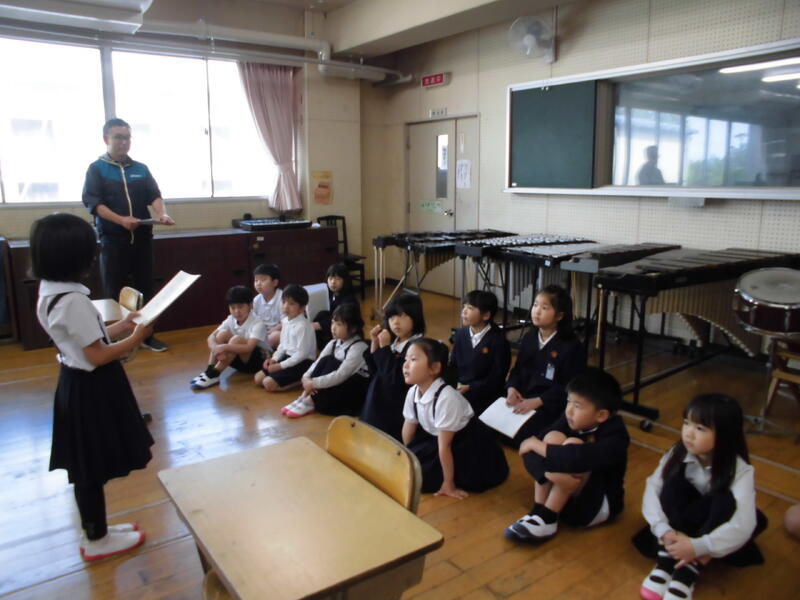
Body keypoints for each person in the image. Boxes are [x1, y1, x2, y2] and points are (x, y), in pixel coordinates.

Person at [32, 213, 153, 561]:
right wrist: (136, 337)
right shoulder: (73, 301)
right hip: (92, 387)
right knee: (89, 468)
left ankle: (98, 530)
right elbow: (98, 355)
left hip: (76, 382)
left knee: (88, 466)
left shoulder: (51, 292)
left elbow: (87, 338)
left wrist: (123, 326)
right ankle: (96, 540)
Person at [634, 394, 767, 600]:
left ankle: (687, 573)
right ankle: (666, 561)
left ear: (725, 435)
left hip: (711, 526)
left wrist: (699, 547)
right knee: (672, 484)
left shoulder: (740, 470)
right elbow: (654, 487)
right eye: (686, 423)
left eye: (700, 428)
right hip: (679, 522)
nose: (688, 433)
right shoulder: (678, 452)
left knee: (725, 501)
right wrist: (663, 529)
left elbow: (744, 522)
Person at [504, 368, 629, 543]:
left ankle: (548, 517)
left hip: (590, 507)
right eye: (569, 402)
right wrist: (549, 473)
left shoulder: (616, 436)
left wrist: (538, 450)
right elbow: (529, 450)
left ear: (601, 415)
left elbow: (576, 458)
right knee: (552, 437)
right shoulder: (569, 418)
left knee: (572, 445)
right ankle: (539, 512)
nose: (569, 410)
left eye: (577, 406)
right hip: (564, 494)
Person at [82, 117, 174, 352]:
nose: (124, 142)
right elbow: (94, 204)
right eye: (118, 137)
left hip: (142, 240)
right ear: (106, 139)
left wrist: (162, 213)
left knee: (146, 289)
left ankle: (146, 335)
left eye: (127, 137)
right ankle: (114, 339)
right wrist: (121, 220)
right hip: (113, 241)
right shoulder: (97, 169)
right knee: (114, 291)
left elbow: (154, 195)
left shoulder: (140, 169)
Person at [402, 338, 509, 499]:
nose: (405, 365)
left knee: (422, 480)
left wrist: (448, 483)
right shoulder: (413, 392)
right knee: (406, 469)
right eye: (406, 359)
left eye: (413, 359)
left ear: (434, 368)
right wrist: (408, 456)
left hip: (467, 446)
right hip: (437, 439)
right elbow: (408, 428)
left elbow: (445, 446)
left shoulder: (446, 398)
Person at [504, 285, 586, 447]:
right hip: (523, 397)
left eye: (544, 307)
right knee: (489, 423)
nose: (537, 311)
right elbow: (517, 370)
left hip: (549, 404)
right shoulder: (529, 337)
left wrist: (539, 401)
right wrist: (512, 388)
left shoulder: (571, 346)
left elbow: (569, 387)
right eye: (535, 305)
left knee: (520, 436)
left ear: (559, 315)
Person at [282, 303, 369, 418]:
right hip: (336, 385)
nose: (333, 328)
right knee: (325, 360)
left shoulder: (359, 347)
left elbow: (340, 375)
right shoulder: (333, 343)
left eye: (339, 324)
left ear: (353, 328)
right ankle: (305, 397)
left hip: (351, 390)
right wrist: (306, 377)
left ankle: (311, 400)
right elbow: (318, 362)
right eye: (333, 322)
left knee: (332, 363)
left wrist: (313, 383)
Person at [361, 293, 425, 441]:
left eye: (402, 316)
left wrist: (384, 349)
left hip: (395, 409)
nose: (395, 322)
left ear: (415, 317)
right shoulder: (393, 342)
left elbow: (395, 379)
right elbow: (376, 372)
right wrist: (375, 344)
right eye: (391, 317)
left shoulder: (418, 346)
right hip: (377, 402)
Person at [190, 285, 268, 390]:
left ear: (250, 305)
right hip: (239, 360)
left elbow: (248, 348)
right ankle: (210, 370)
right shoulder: (231, 319)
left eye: (240, 307)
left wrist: (224, 347)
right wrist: (216, 349)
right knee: (222, 334)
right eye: (233, 307)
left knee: (236, 339)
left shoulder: (258, 323)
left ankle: (214, 374)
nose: (236, 311)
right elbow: (211, 337)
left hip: (258, 363)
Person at [449, 290, 511, 415]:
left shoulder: (498, 341)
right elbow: (453, 364)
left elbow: (498, 376)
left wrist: (471, 387)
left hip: (485, 394)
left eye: (470, 308)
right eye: (464, 306)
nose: (464, 311)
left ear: (486, 315)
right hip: (460, 389)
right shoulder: (461, 334)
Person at [254, 284, 316, 392]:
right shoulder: (285, 321)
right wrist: (274, 359)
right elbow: (282, 345)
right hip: (288, 358)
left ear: (302, 308)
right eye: (284, 302)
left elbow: (302, 354)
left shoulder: (303, 326)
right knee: (258, 379)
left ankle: (301, 379)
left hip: (302, 362)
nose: (286, 306)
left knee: (268, 383)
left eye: (291, 304)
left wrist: (280, 366)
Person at [311, 263, 360, 350]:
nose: (333, 282)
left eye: (338, 279)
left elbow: (342, 320)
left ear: (345, 281)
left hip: (345, 332)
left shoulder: (349, 299)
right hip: (333, 327)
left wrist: (319, 325)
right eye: (330, 278)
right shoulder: (330, 294)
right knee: (321, 314)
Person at [251, 263, 282, 351]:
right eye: (256, 280)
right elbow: (254, 320)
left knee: (276, 336)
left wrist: (272, 330)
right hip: (262, 332)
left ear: (275, 282)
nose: (258, 284)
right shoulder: (256, 300)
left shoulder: (282, 298)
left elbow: (286, 322)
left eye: (263, 280)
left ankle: (263, 351)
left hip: (277, 331)